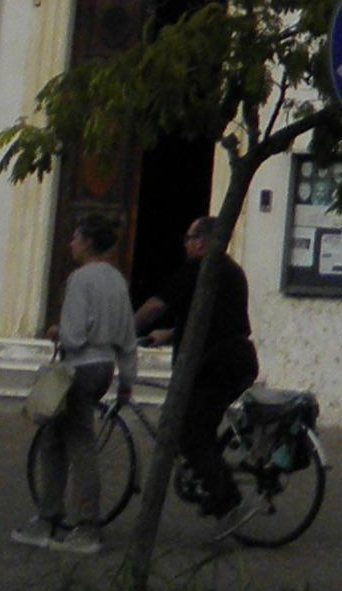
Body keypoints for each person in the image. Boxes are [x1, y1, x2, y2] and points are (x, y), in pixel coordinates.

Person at [20, 213, 132, 551]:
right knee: (55, 441)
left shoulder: (80, 279)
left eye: (74, 238)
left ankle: (84, 525)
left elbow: (73, 333)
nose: (70, 243)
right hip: (104, 366)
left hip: (79, 366)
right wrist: (127, 377)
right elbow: (127, 334)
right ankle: (49, 515)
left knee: (78, 443)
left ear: (86, 243)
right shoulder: (116, 279)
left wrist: (56, 332)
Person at [139, 213, 259, 519]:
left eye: (189, 239)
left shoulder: (201, 269)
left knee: (191, 435)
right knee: (197, 428)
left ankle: (225, 496)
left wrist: (121, 330)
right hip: (232, 361)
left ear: (202, 242)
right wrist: (170, 333)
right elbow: (215, 318)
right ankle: (212, 477)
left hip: (217, 367)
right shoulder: (230, 270)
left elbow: (156, 306)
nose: (186, 245)